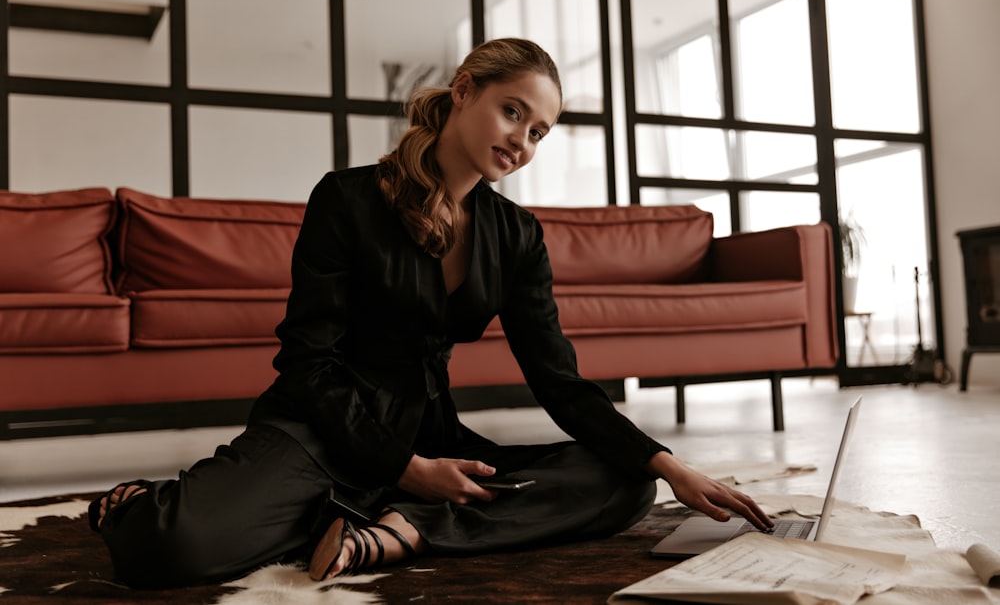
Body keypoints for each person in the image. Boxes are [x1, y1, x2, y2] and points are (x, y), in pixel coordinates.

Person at [89, 37, 772, 589]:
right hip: (320, 428)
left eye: (539, 131)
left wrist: (665, 462)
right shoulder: (347, 199)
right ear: (464, 89)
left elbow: (558, 381)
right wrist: (405, 466)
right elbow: (307, 361)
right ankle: (161, 499)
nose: (523, 142)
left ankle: (402, 531)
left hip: (432, 439)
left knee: (627, 485)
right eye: (513, 113)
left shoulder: (518, 235)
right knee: (171, 549)